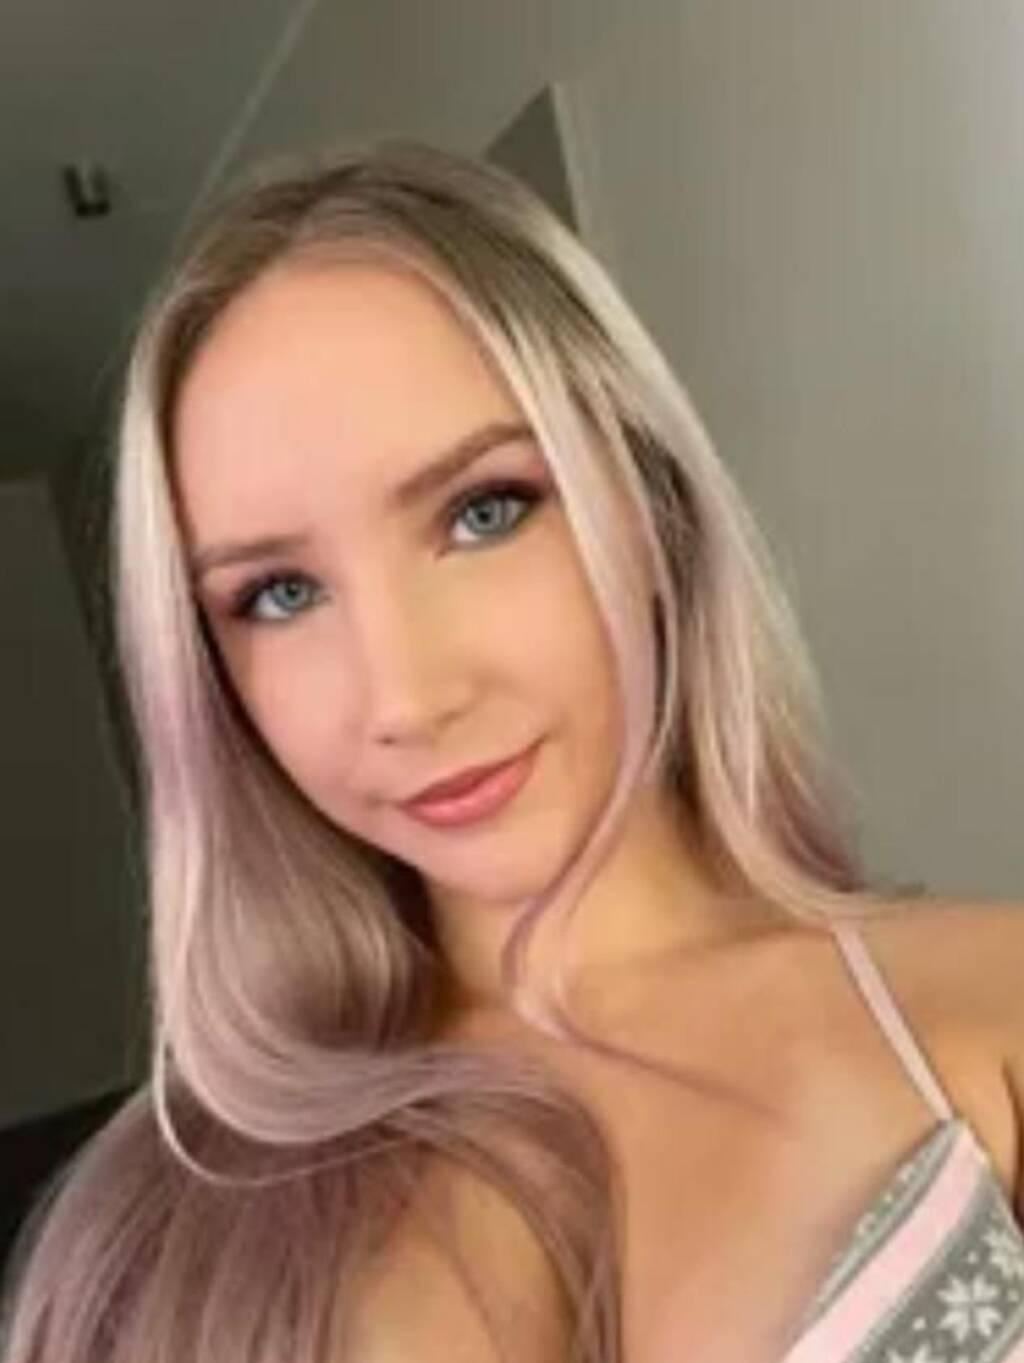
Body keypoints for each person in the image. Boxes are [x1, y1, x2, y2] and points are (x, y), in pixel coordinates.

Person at [2, 138, 1022, 1363]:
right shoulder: (146, 1248)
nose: (406, 697)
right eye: (278, 594)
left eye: (483, 512)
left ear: (647, 504)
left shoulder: (990, 1005)